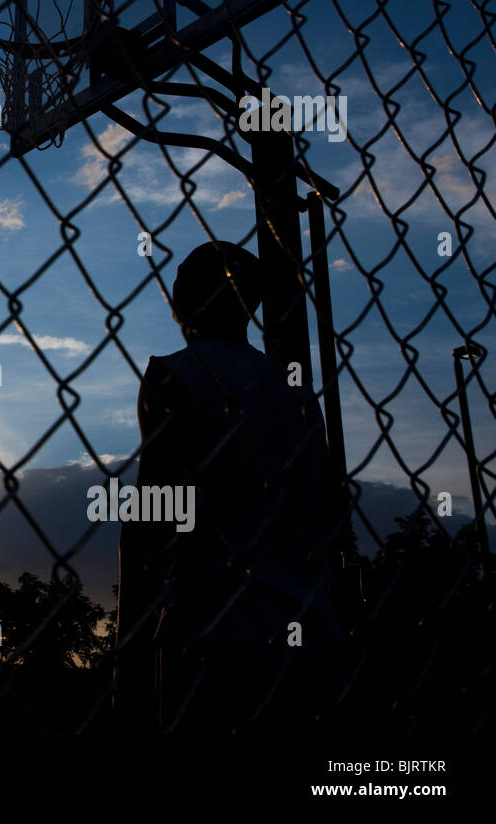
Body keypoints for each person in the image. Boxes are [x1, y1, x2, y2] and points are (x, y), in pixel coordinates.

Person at [115, 241, 352, 732]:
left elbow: (150, 525)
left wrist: (129, 654)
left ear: (184, 302)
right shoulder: (297, 392)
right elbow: (333, 514)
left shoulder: (173, 375)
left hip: (211, 635)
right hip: (309, 635)